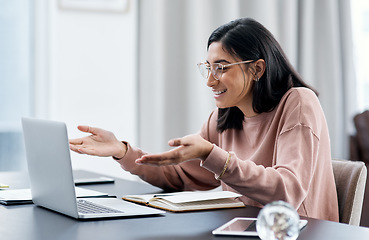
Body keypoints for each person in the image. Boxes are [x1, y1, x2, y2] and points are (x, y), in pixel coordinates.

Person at [69, 18, 339, 221]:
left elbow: (287, 191)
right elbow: (180, 177)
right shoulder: (224, 117)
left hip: (297, 231)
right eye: (208, 68)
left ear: (257, 68)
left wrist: (212, 155)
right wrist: (122, 151)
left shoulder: (298, 103)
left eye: (221, 68)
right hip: (244, 229)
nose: (210, 80)